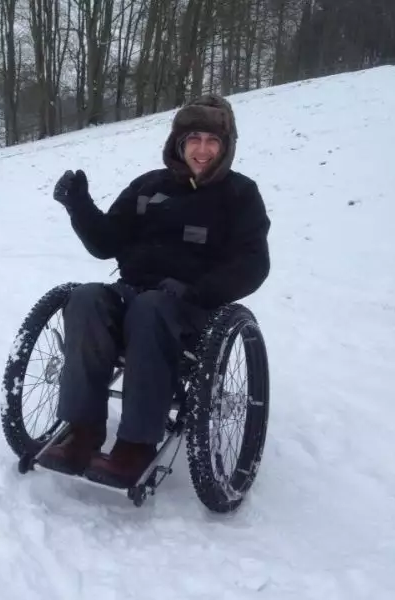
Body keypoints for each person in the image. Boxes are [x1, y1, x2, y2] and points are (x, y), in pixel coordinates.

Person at [39, 93, 271, 489]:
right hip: (133, 293)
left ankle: (135, 444)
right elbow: (106, 243)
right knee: (86, 298)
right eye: (193, 139)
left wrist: (198, 290)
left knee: (151, 309)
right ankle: (82, 430)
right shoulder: (148, 186)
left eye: (212, 141)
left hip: (194, 307)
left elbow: (253, 264)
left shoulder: (239, 194)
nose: (202, 149)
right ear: (178, 143)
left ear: (226, 146)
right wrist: (79, 205)